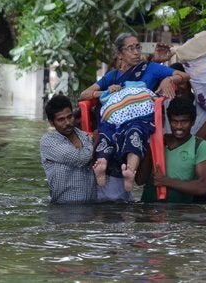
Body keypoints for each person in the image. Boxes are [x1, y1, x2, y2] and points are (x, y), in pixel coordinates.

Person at [80, 32, 189, 195]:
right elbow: (84, 95)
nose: (136, 52)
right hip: (114, 120)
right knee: (105, 132)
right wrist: (105, 92)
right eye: (130, 48)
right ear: (119, 54)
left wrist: (170, 79)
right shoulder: (113, 76)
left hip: (139, 119)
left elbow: (184, 75)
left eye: (138, 47)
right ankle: (102, 168)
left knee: (134, 131)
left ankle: (130, 172)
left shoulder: (151, 68)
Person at [136, 96, 206, 203]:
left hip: (179, 213)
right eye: (174, 121)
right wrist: (152, 151)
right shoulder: (158, 142)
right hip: (149, 209)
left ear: (193, 122)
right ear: (169, 121)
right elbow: (139, 180)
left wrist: (165, 181)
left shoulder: (199, 146)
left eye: (184, 122)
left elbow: (203, 187)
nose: (179, 127)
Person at [93, 81, 157, 191]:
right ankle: (130, 169)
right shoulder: (143, 87)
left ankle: (102, 161)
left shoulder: (113, 89)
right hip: (138, 115)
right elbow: (155, 99)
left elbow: (103, 99)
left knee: (106, 137)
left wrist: (108, 92)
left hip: (113, 115)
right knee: (135, 135)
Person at [40, 95, 98, 204]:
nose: (67, 123)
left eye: (69, 117)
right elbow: (81, 158)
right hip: (62, 209)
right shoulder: (48, 142)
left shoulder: (85, 137)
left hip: (90, 209)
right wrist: (96, 141)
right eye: (61, 119)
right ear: (52, 122)